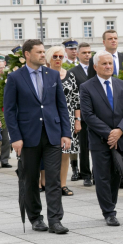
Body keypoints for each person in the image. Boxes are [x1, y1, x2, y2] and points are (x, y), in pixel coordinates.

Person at [4, 39, 71, 234]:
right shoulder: (15, 78)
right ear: (27, 54)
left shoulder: (52, 75)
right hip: (28, 136)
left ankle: (55, 220)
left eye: (44, 51)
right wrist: (15, 137)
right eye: (40, 52)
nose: (44, 55)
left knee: (53, 179)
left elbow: (61, 106)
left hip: (52, 134)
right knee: (30, 178)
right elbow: (9, 110)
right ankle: (35, 217)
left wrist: (66, 132)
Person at [80, 51, 123, 226]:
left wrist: (119, 130)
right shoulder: (87, 87)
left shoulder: (122, 85)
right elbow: (88, 115)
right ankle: (109, 212)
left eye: (110, 63)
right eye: (104, 64)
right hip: (99, 139)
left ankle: (112, 205)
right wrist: (109, 133)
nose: (108, 66)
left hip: (120, 138)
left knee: (117, 173)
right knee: (102, 176)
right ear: (95, 67)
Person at [88, 30, 123, 190]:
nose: (113, 41)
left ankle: (122, 176)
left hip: (122, 109)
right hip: (102, 113)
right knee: (103, 164)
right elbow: (91, 86)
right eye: (110, 38)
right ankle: (98, 176)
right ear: (104, 41)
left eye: (115, 38)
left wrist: (120, 128)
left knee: (121, 152)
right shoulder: (98, 59)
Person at [46, 46, 81, 197]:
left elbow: (76, 100)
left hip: (68, 119)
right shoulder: (44, 75)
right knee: (51, 153)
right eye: (55, 56)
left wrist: (77, 120)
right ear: (49, 58)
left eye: (61, 56)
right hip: (49, 119)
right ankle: (49, 183)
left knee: (66, 152)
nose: (58, 59)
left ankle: (63, 185)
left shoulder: (70, 75)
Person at [69, 42, 93, 187]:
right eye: (84, 52)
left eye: (89, 52)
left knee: (97, 146)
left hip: (97, 114)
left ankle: (97, 173)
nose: (87, 55)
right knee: (83, 146)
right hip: (82, 114)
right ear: (78, 54)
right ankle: (86, 174)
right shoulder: (73, 71)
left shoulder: (96, 68)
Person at [0, 56, 12, 168]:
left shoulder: (8, 79)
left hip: (5, 111)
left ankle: (4, 160)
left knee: (6, 138)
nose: (1, 70)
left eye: (2, 67)